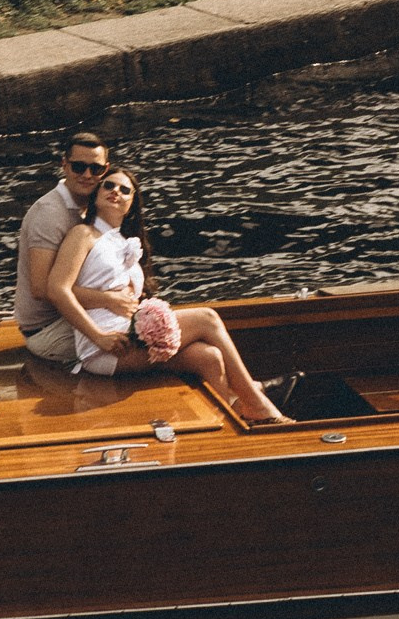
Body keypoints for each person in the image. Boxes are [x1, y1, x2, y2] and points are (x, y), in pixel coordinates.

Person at [45, 167, 291, 426]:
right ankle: (258, 404)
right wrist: (98, 336)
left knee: (209, 357)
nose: (115, 191)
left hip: (128, 335)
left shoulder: (122, 241)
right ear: (97, 193)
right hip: (105, 344)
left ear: (131, 205)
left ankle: (225, 425)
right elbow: (57, 289)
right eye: (108, 186)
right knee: (208, 318)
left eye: (124, 190)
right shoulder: (83, 234)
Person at [15, 131, 132, 364]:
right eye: (79, 167)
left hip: (77, 316)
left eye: (96, 169)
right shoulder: (49, 214)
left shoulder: (92, 207)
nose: (87, 175)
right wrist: (109, 300)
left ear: (105, 169)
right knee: (159, 340)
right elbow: (42, 289)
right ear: (64, 166)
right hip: (48, 329)